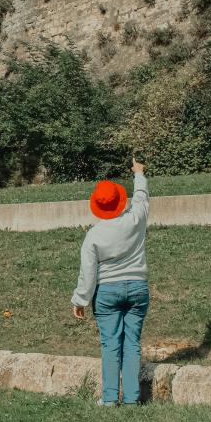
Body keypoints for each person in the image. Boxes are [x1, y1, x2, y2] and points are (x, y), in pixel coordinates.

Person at [71, 158, 150, 406]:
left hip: (107, 291)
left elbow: (88, 271)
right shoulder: (135, 220)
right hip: (137, 287)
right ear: (120, 201)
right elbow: (141, 198)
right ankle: (131, 399)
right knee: (132, 343)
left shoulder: (94, 235)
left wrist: (80, 299)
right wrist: (139, 173)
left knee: (110, 345)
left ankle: (109, 399)